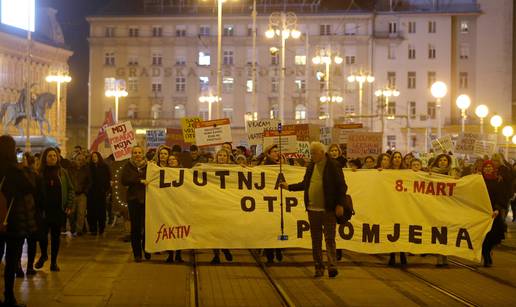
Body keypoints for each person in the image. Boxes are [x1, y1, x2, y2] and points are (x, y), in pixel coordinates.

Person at [281, 142, 347, 278]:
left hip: (328, 209)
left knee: (329, 238)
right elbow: (306, 183)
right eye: (311, 153)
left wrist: (340, 204)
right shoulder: (311, 166)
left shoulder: (333, 165)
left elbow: (342, 186)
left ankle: (332, 266)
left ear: (322, 153)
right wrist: (289, 187)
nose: (312, 156)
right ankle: (318, 266)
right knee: (316, 239)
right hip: (312, 209)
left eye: (314, 153)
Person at [0, 135, 38, 306]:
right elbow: (30, 187)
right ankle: (9, 296)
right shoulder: (14, 170)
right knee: (11, 260)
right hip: (12, 219)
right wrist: (25, 169)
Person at [34, 147, 74, 272]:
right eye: (50, 156)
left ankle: (53, 262)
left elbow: (70, 189)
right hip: (43, 210)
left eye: (54, 156)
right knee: (42, 236)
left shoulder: (63, 172)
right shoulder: (39, 173)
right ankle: (44, 254)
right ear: (45, 158)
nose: (52, 158)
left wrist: (69, 204)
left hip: (58, 210)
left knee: (56, 237)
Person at [121, 146, 149, 262]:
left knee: (147, 227)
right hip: (133, 200)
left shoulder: (149, 166)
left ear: (143, 154)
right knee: (136, 228)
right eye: (135, 152)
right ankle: (137, 254)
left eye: (139, 152)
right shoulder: (128, 166)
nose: (137, 154)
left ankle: (147, 249)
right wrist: (139, 180)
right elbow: (124, 180)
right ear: (132, 154)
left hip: (147, 200)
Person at [260, 145, 284, 264]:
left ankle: (278, 249)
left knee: (277, 228)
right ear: (268, 154)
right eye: (274, 152)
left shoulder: (281, 165)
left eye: (277, 151)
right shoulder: (265, 166)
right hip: (268, 201)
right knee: (270, 229)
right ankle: (271, 254)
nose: (276, 153)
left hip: (278, 201)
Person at [481, 160, 507, 267]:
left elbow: (501, 196)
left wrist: (497, 208)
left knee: (494, 236)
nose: (488, 168)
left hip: (493, 213)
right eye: (485, 167)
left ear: (493, 168)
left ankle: (487, 251)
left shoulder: (498, 181)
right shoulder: (478, 180)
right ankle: (486, 255)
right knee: (484, 236)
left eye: (490, 166)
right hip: (481, 213)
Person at [210, 148, 234, 264]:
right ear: (217, 157)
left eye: (224, 156)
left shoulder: (234, 170)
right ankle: (216, 255)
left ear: (228, 158)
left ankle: (225, 248)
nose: (222, 158)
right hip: (214, 203)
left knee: (225, 230)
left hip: (227, 204)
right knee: (214, 230)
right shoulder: (210, 169)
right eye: (220, 155)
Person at [387, 151, 407, 267]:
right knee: (392, 230)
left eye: (399, 157)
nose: (397, 159)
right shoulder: (386, 172)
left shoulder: (407, 173)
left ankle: (403, 253)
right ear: (392, 159)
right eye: (395, 157)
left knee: (403, 229)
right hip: (391, 205)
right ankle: (392, 255)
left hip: (403, 205)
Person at [87, 152, 111, 236]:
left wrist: (105, 189)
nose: (94, 158)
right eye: (92, 156)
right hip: (91, 193)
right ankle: (93, 228)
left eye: (95, 156)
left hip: (101, 192)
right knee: (91, 211)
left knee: (101, 211)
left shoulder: (104, 167)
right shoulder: (89, 167)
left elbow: (108, 178)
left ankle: (101, 228)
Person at [69, 153, 90, 236]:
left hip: (82, 194)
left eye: (82, 160)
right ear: (75, 160)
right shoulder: (71, 169)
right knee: (71, 213)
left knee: (81, 213)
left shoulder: (86, 170)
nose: (80, 161)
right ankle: (73, 228)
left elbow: (89, 182)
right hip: (72, 193)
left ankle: (79, 230)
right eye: (79, 159)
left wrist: (85, 191)